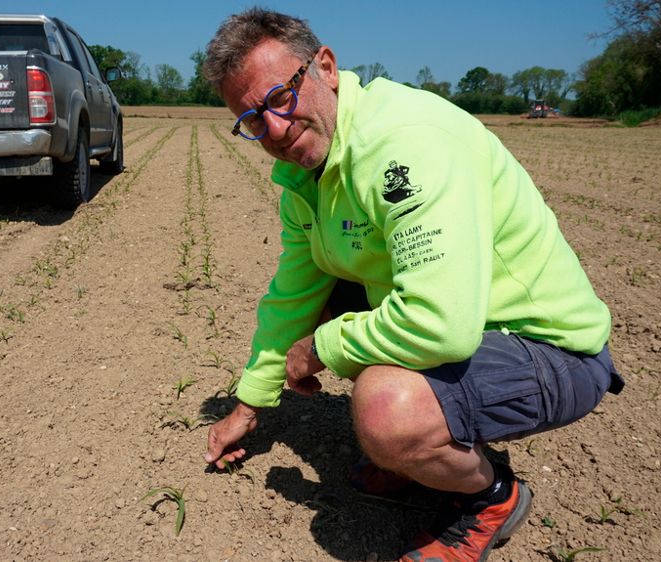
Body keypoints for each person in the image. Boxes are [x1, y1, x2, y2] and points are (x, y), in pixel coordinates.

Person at [201, 8, 624, 562]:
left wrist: (321, 349)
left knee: (387, 410)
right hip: (470, 331)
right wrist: (251, 401)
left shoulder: (406, 143)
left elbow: (438, 324)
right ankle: (419, 450)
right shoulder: (306, 176)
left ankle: (492, 496)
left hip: (550, 348)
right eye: (252, 119)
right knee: (329, 291)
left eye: (280, 96)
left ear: (325, 66)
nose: (274, 129)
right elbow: (294, 290)